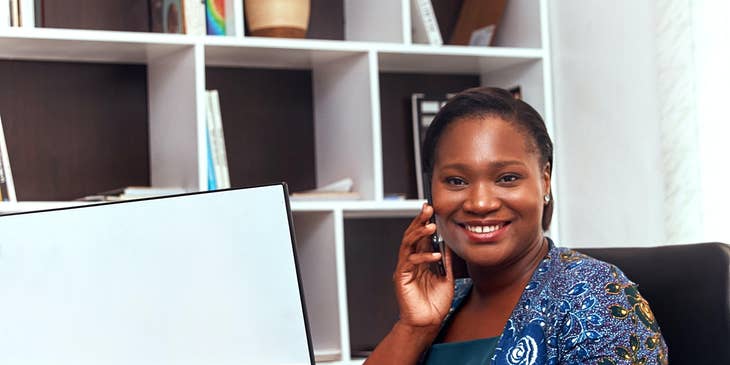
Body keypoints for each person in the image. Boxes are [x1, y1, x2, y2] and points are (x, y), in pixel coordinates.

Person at [364, 87, 668, 365]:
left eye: (507, 178)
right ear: (431, 191)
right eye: (456, 181)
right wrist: (414, 328)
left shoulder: (595, 296)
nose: (480, 203)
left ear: (544, 180)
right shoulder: (446, 305)